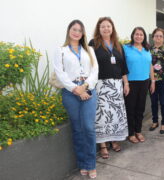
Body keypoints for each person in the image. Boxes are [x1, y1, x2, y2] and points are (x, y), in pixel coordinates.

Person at [53, 20, 98, 178]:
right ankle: (83, 163)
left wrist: (84, 87)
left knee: (89, 127)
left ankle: (91, 164)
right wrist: (75, 89)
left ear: (83, 33)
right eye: (74, 29)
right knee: (78, 129)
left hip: (88, 89)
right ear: (69, 31)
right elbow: (60, 73)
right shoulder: (60, 50)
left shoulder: (89, 50)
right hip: (70, 93)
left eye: (80, 30)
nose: (76, 32)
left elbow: (95, 71)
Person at [88, 17, 129, 159]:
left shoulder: (118, 45)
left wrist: (126, 83)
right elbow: (89, 66)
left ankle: (114, 139)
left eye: (108, 26)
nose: (106, 29)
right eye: (103, 26)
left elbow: (123, 66)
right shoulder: (93, 44)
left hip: (117, 85)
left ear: (113, 28)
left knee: (116, 115)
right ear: (99, 29)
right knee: (102, 116)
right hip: (101, 86)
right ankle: (103, 145)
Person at [123, 27, 155, 143]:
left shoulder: (147, 49)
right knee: (130, 109)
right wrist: (125, 83)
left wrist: (153, 81)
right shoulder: (126, 48)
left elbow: (150, 65)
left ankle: (138, 131)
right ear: (133, 35)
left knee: (140, 108)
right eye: (137, 34)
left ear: (144, 36)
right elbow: (123, 67)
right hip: (131, 83)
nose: (139, 36)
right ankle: (130, 133)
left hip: (145, 82)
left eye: (141, 35)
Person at [148, 28, 164, 134]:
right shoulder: (149, 50)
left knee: (163, 102)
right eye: (156, 36)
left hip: (163, 79)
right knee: (153, 102)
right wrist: (152, 80)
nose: (158, 38)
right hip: (152, 80)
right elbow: (149, 65)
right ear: (153, 37)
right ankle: (155, 121)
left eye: (160, 36)